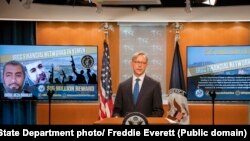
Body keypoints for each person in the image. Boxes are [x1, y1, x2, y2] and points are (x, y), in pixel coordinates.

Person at [112, 52, 164, 117]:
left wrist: (145, 122)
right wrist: (116, 117)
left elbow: (158, 111)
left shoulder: (155, 85)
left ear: (146, 65)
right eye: (137, 62)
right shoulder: (122, 86)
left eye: (143, 63)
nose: (140, 65)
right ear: (132, 64)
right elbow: (117, 110)